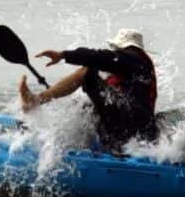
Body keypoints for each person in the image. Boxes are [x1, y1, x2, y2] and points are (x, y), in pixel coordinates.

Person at [19, 28, 158, 151]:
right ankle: (75, 139)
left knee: (86, 72)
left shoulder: (131, 59)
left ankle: (36, 100)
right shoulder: (138, 67)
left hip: (129, 128)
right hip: (137, 131)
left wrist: (63, 55)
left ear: (124, 48)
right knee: (86, 106)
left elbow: (97, 57)